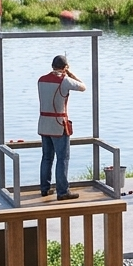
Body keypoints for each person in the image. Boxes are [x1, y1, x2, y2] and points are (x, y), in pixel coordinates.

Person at [38, 54, 86, 200]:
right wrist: (70, 73)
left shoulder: (41, 80)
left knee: (46, 158)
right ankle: (63, 191)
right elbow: (83, 87)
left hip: (44, 123)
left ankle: (45, 188)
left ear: (52, 66)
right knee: (62, 159)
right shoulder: (65, 80)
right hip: (59, 124)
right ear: (65, 67)